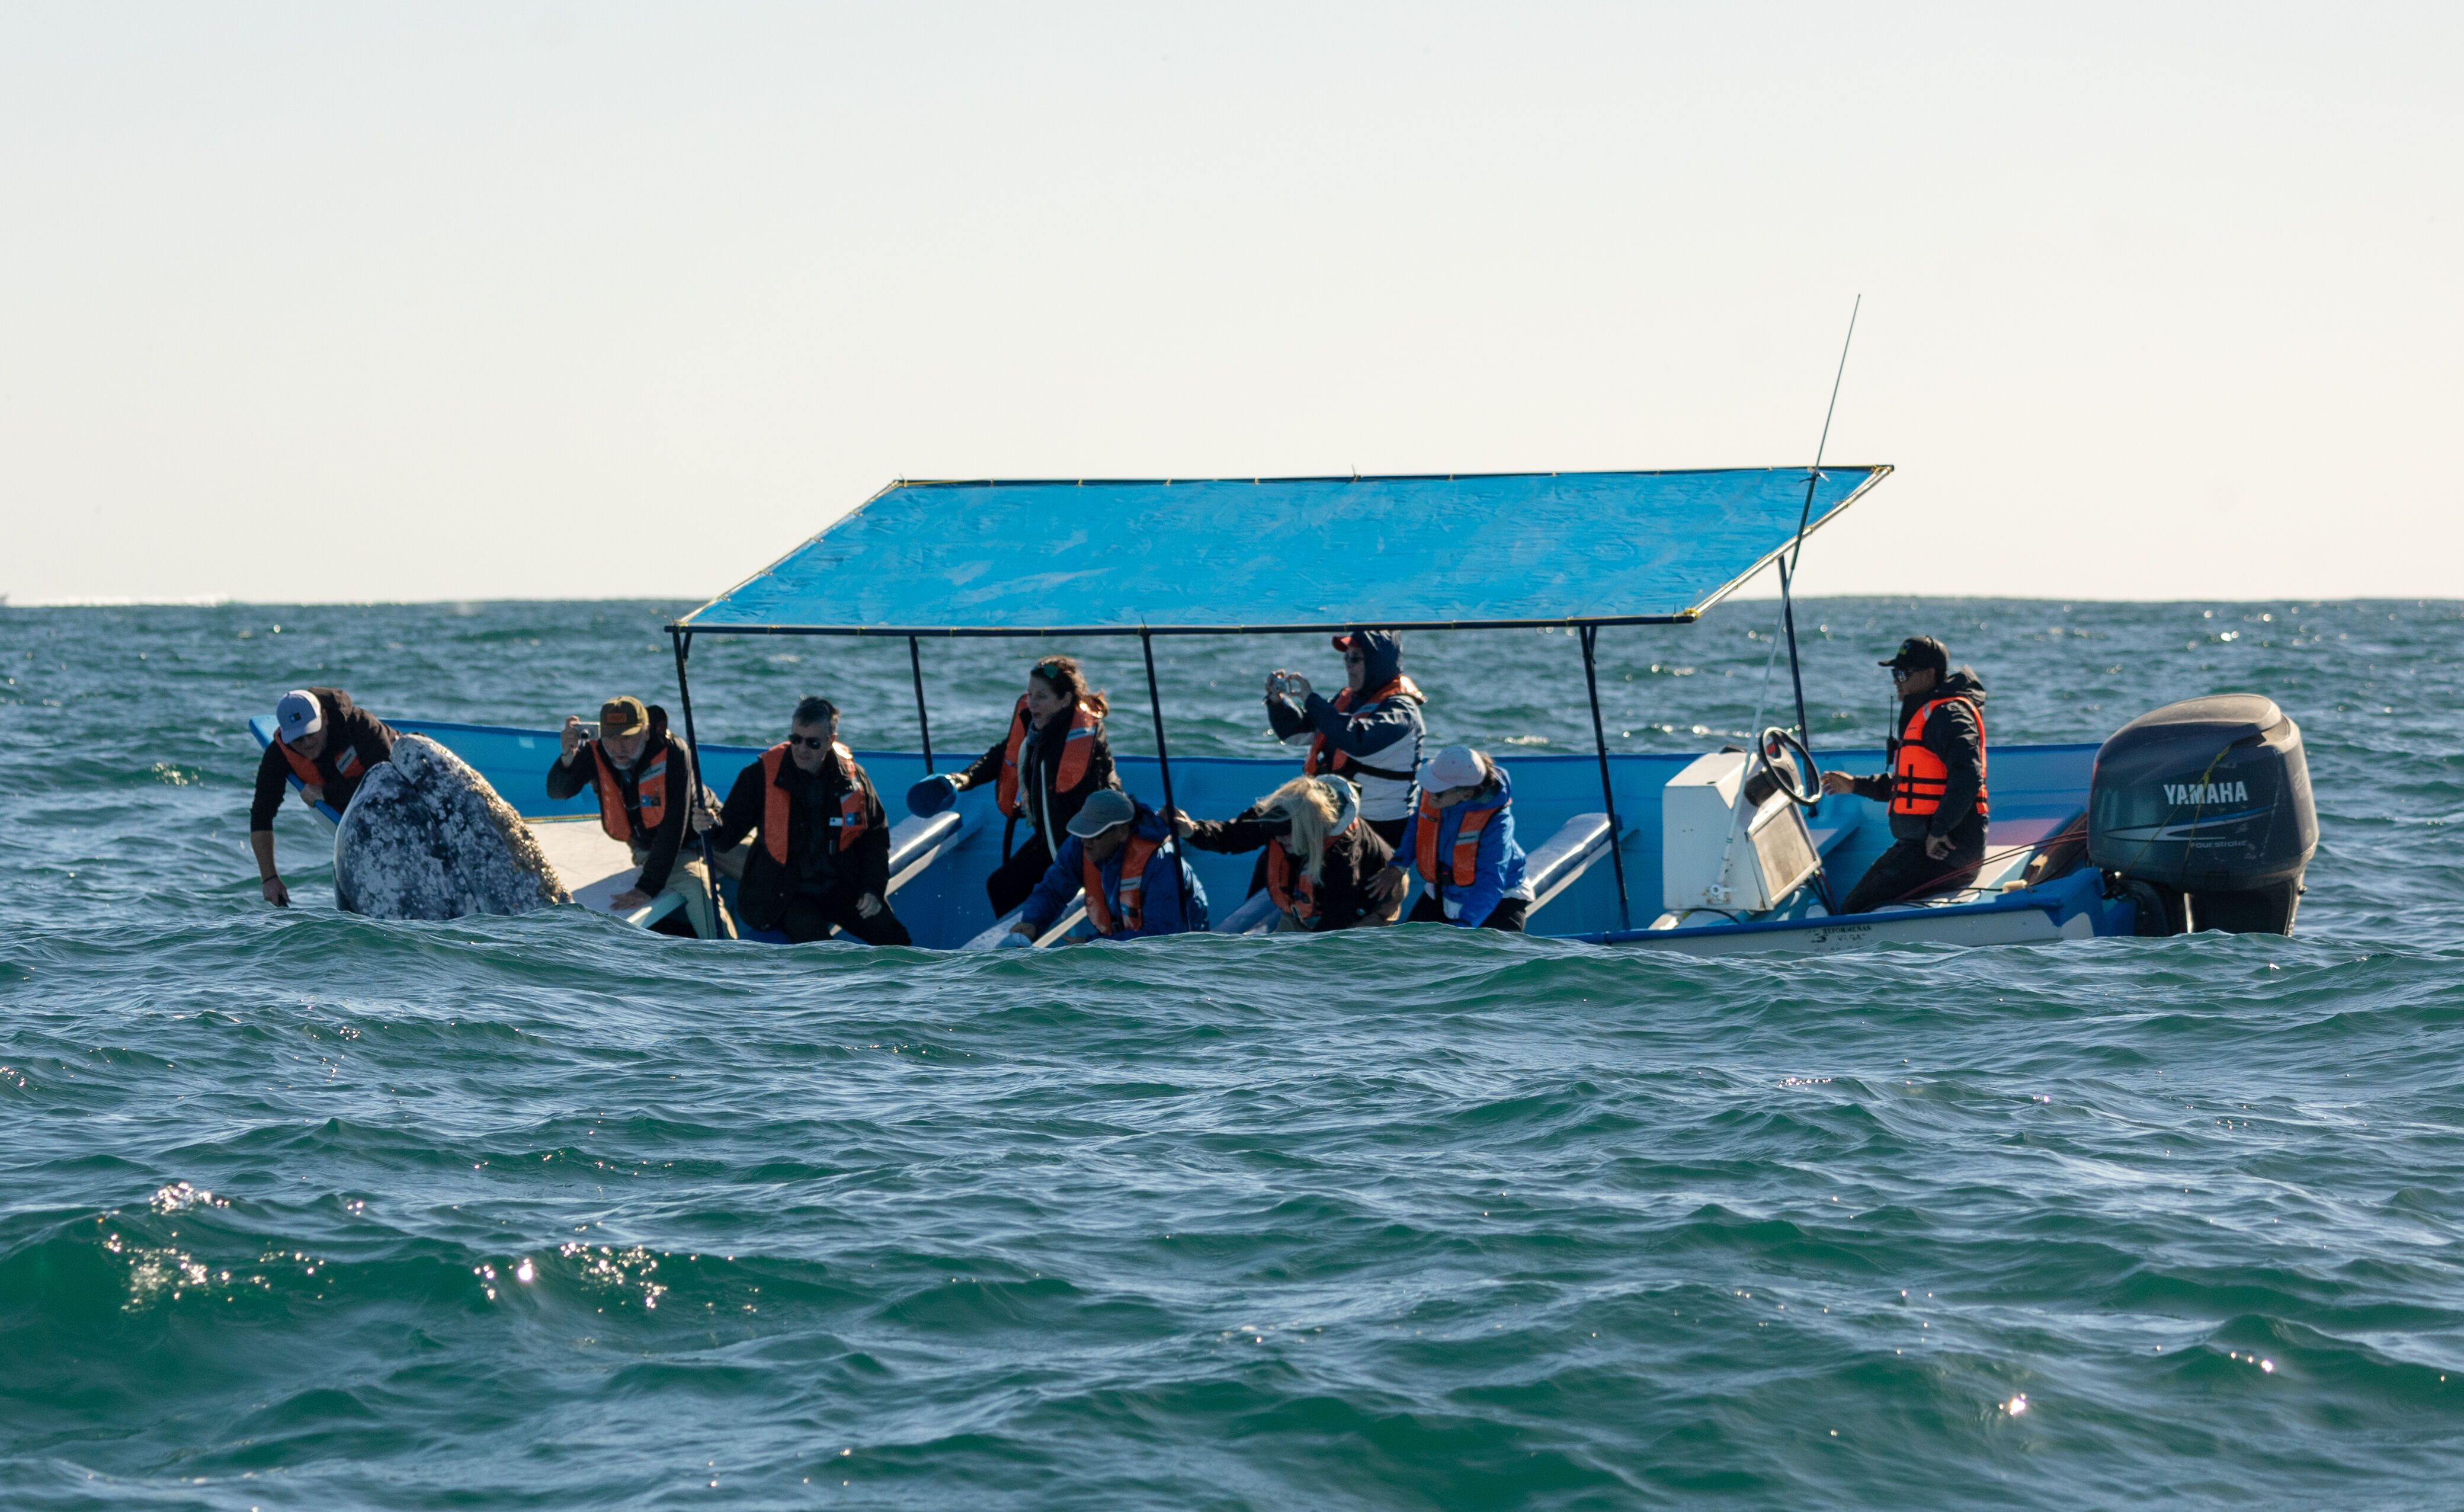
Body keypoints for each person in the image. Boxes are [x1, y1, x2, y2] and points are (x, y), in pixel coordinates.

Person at [706, 696, 911, 945]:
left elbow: (875, 837)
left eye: (813, 743)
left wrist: (872, 889)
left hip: (839, 886)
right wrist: (711, 827)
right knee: (821, 947)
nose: (802, 749)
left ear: (831, 741)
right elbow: (726, 837)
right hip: (786, 895)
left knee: (895, 938)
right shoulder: (759, 776)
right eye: (796, 739)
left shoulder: (854, 778)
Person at [927, 656, 1119, 917]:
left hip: (1083, 846)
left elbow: (1105, 796)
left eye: (1041, 697)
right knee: (1001, 886)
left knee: (1014, 889)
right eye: (1030, 694)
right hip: (1048, 839)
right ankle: (1027, 935)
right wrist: (966, 778)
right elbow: (1006, 753)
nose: (1032, 703)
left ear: (1065, 700)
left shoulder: (1081, 739)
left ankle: (1037, 932)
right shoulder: (1036, 728)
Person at [1819, 635, 1991, 915]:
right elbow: (1911, 786)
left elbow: (1968, 776)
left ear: (1930, 674)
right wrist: (1854, 785)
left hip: (1945, 852)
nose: (1897, 681)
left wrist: (1938, 831)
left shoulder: (1949, 716)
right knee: (1859, 904)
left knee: (1855, 910)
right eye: (1894, 674)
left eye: (1903, 674)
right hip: (1924, 847)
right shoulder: (1928, 713)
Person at [544, 696, 718, 938]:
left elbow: (674, 825)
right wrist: (567, 756)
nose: (619, 748)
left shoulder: (673, 750)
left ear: (646, 732)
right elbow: (558, 792)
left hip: (712, 832)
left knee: (760, 867)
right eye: (611, 737)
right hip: (660, 849)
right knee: (697, 885)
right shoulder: (595, 751)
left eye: (627, 737)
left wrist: (647, 888)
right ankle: (726, 957)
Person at [1169, 775, 1398, 933]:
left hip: (1360, 907)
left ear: (1310, 831)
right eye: (1274, 833)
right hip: (1304, 901)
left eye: (1286, 834)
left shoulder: (1343, 856)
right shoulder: (1278, 816)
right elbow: (1234, 835)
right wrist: (1193, 831)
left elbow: (1337, 923)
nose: (1278, 839)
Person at [1263, 629, 1427, 848]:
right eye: (1346, 658)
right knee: (1269, 824)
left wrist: (1311, 700)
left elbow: (1359, 742)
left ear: (1378, 662)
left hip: (1382, 827)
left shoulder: (1402, 711)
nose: (1348, 665)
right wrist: (1277, 703)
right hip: (1340, 815)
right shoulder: (1347, 701)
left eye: (1355, 658)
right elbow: (1297, 734)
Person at [249, 687, 398, 908]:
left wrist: (327, 794)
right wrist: (269, 878)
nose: (306, 744)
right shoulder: (279, 754)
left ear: (325, 718)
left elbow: (388, 784)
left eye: (311, 734)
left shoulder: (362, 726)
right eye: (298, 740)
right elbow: (261, 815)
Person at [1004, 789, 1208, 945]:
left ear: (1122, 832)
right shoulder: (1081, 844)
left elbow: (1160, 938)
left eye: (1096, 834)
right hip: (1122, 942)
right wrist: (1032, 923)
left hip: (1177, 950)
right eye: (1083, 831)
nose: (1087, 842)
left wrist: (1093, 946)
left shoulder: (1161, 864)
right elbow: (1053, 890)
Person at [1370, 745, 1533, 931]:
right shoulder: (1434, 795)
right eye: (1429, 785)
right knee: (1410, 946)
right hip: (1443, 891)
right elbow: (1417, 827)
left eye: (1438, 792)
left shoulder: (1498, 823)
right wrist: (1398, 866)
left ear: (1467, 794)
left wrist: (1464, 926)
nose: (1429, 796)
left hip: (1498, 898)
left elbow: (1491, 881)